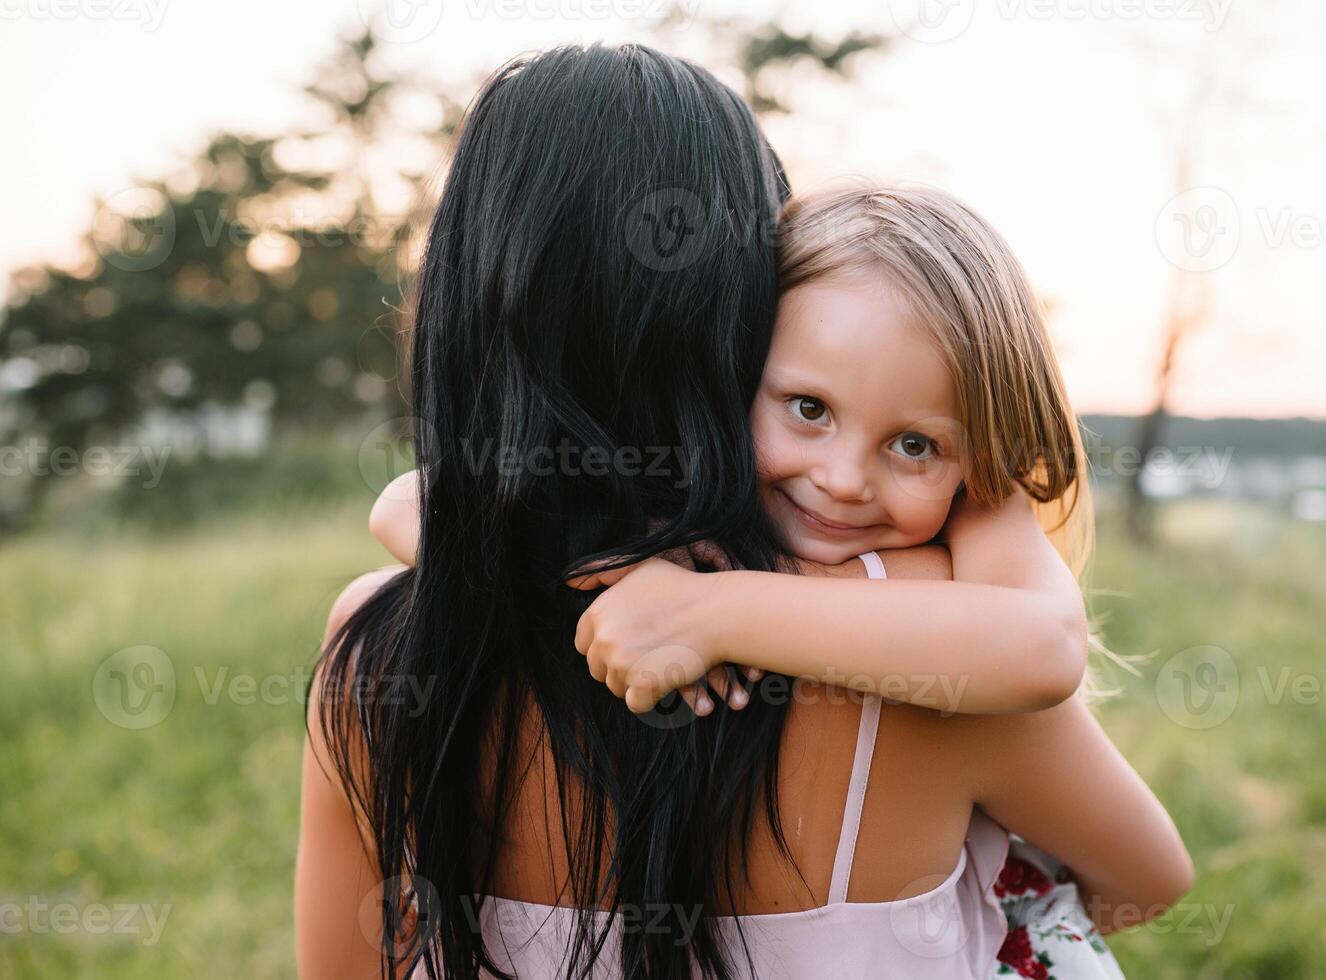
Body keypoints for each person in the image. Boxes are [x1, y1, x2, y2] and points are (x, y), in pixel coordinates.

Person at [296, 43, 1191, 980]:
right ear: (744, 317)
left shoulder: (377, 649)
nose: (844, 481)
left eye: (915, 444)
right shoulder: (919, 638)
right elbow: (1147, 877)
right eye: (808, 408)